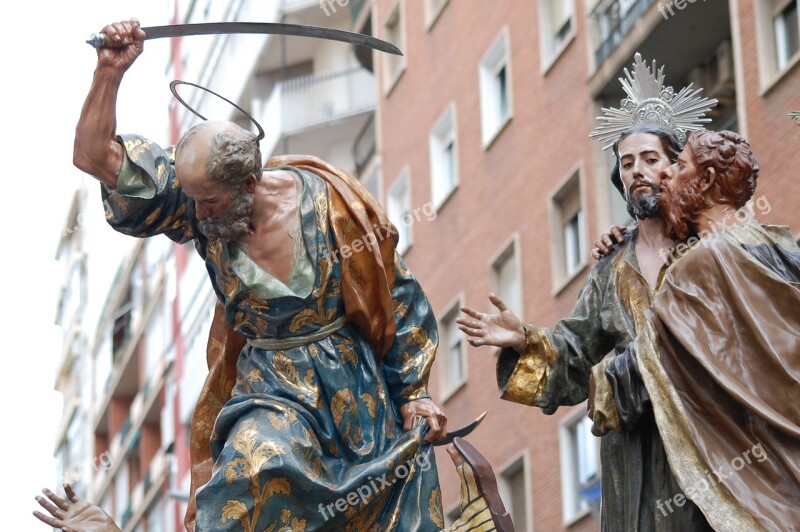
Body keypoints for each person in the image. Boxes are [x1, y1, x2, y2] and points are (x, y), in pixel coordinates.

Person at [33, 18, 512, 532]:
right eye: (192, 201)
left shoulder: (332, 205)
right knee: (247, 469)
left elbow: (395, 293)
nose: (198, 215)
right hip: (268, 382)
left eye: (209, 203)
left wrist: (414, 392)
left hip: (352, 387)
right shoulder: (194, 199)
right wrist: (108, 73)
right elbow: (94, 156)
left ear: (249, 183)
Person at [621, 129, 800, 530]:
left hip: (766, 485)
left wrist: (601, 383)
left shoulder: (697, 267)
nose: (665, 175)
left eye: (677, 165)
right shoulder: (782, 244)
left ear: (703, 182)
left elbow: (650, 362)